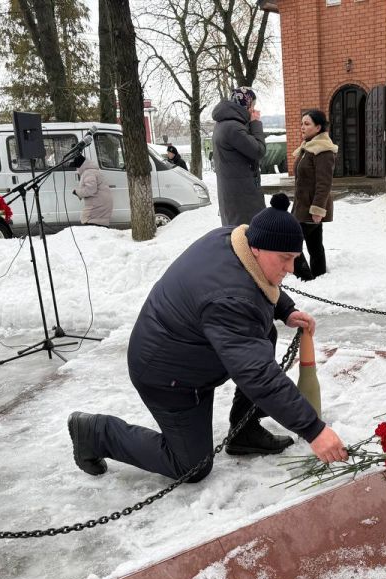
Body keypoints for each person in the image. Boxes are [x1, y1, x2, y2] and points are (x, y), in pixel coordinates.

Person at [67, 193, 348, 484]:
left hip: (187, 349)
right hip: (167, 375)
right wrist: (314, 430)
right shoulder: (230, 299)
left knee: (262, 333)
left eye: (294, 258)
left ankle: (244, 431)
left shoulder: (232, 240)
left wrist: (285, 309)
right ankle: (95, 433)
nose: (290, 268)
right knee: (192, 465)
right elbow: (257, 373)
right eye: (285, 259)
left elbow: (256, 283)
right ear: (257, 248)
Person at [291, 109, 338, 281]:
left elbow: (324, 183)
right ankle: (319, 275)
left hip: (311, 207)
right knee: (314, 243)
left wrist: (318, 209)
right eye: (302, 123)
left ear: (318, 128)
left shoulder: (323, 150)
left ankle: (305, 278)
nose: (302, 127)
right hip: (302, 205)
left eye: (307, 124)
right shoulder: (308, 148)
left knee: (291, 243)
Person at [211, 86, 266, 226]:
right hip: (242, 200)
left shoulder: (224, 123)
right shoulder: (233, 127)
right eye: (253, 106)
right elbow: (258, 150)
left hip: (235, 196)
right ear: (246, 105)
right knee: (244, 240)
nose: (254, 110)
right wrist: (256, 123)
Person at [71, 153, 113, 227]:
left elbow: (91, 189)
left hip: (97, 204)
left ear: (80, 166)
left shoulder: (88, 173)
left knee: (90, 221)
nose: (77, 169)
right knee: (98, 223)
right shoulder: (91, 171)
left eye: (77, 167)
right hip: (100, 202)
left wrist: (77, 192)